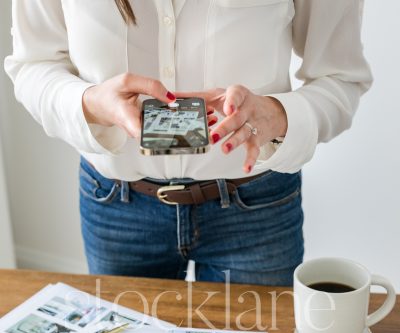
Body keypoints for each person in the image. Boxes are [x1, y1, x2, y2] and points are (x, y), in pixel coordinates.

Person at [5, 0, 372, 285]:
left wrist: (276, 113)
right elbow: (32, 64)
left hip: (256, 209)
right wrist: (90, 103)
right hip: (117, 207)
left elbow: (341, 77)